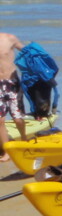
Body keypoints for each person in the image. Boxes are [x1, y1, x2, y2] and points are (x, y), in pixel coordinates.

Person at [0, 32, 26, 161]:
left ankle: (24, 140)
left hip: (12, 83)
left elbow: (27, 52)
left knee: (18, 118)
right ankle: (7, 152)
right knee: (0, 121)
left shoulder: (9, 38)